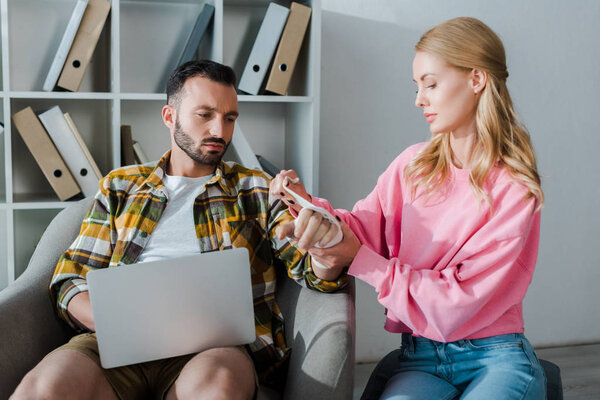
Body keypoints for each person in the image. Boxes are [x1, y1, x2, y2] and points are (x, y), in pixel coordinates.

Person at [11, 60, 347, 400]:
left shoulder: (257, 190)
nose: (220, 130)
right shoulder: (120, 186)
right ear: (170, 117)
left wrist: (323, 244)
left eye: (230, 118)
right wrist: (118, 323)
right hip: (115, 346)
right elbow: (70, 279)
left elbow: (315, 273)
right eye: (205, 115)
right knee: (41, 389)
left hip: (214, 349)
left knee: (218, 389)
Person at [271, 17, 546, 399]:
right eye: (417, 87)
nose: (419, 99)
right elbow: (360, 230)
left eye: (431, 84)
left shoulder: (514, 188)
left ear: (477, 79)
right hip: (420, 357)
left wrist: (361, 258)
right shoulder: (411, 166)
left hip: (495, 358)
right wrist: (314, 211)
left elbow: (455, 307)